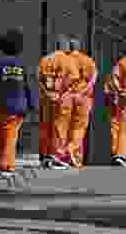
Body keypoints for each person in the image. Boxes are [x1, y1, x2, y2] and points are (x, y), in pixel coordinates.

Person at [0, 29, 37, 178]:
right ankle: (6, 165)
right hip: (17, 107)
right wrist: (32, 104)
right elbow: (28, 85)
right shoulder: (23, 65)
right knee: (10, 135)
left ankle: (1, 161)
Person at [38, 35, 78, 170]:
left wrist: (48, 93)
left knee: (45, 126)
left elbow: (40, 78)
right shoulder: (68, 61)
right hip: (62, 99)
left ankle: (44, 155)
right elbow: (73, 78)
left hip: (47, 97)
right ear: (65, 47)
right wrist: (60, 93)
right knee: (60, 127)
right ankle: (57, 155)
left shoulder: (45, 60)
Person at [59, 38, 97, 168]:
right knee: (79, 127)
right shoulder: (87, 60)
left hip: (67, 96)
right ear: (79, 47)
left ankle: (68, 156)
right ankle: (73, 149)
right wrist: (84, 91)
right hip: (83, 97)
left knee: (66, 126)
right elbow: (93, 79)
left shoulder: (65, 60)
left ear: (69, 47)